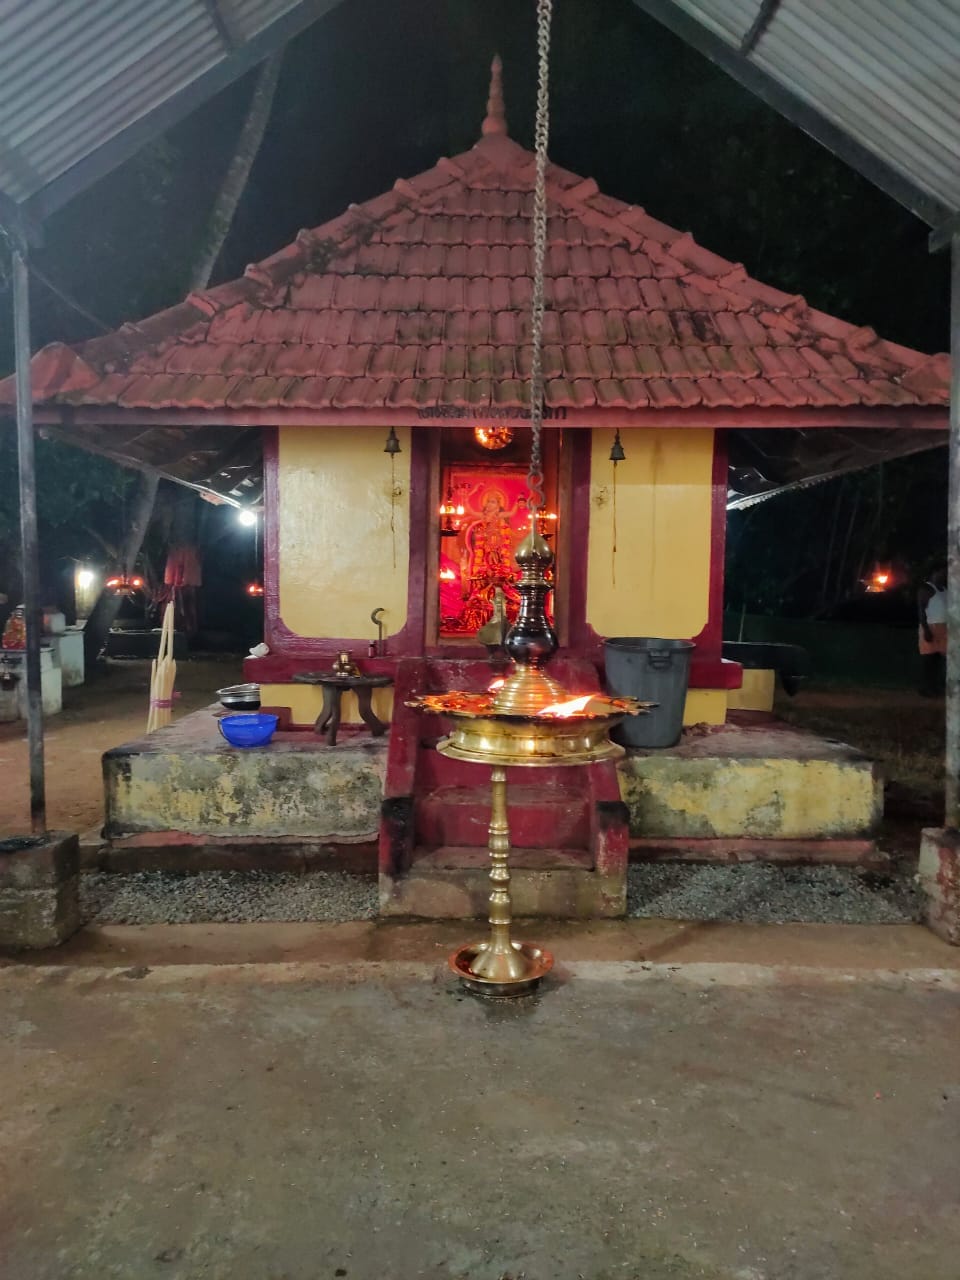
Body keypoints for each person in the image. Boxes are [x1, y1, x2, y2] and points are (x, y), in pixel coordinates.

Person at [917, 566, 947, 696]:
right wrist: (926, 629)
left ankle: (934, 687)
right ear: (934, 573)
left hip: (944, 627)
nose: (944, 574)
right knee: (929, 659)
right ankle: (926, 688)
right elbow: (921, 610)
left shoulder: (944, 589)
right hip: (930, 626)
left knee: (938, 660)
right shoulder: (926, 589)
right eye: (941, 572)